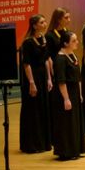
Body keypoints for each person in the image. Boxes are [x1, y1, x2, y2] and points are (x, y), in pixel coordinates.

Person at [19, 13, 52, 153]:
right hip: (32, 78)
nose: (45, 24)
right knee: (33, 110)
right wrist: (31, 83)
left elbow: (46, 60)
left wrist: (49, 78)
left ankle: (44, 142)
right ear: (34, 26)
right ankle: (32, 144)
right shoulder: (28, 42)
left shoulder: (43, 39)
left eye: (45, 22)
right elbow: (26, 64)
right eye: (41, 22)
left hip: (43, 76)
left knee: (43, 108)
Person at [51, 31, 85, 161]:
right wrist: (66, 99)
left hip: (74, 92)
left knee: (75, 121)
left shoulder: (73, 55)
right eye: (74, 41)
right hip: (65, 93)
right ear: (65, 43)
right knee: (66, 123)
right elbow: (61, 81)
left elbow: (78, 77)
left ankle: (75, 149)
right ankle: (66, 151)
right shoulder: (60, 59)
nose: (77, 42)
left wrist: (80, 94)